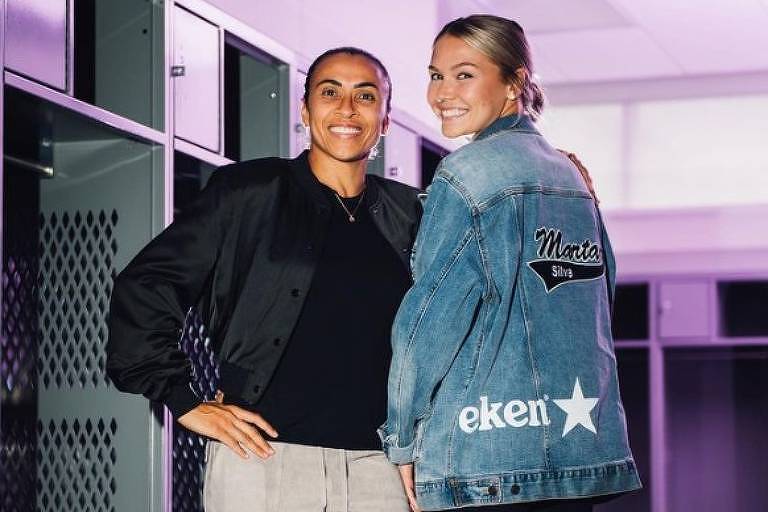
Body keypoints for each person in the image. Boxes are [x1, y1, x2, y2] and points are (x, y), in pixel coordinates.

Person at [106, 47, 421, 512]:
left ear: (386, 118)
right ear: (305, 109)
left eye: (366, 96)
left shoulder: (411, 212)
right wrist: (183, 399)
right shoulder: (251, 193)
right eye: (329, 92)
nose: (347, 109)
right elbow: (148, 284)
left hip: (380, 470)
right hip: (264, 460)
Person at [379, 15, 642, 512]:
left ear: (514, 82)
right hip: (574, 451)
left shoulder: (467, 175)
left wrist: (402, 438)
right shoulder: (569, 176)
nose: (442, 93)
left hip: (486, 459)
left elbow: (426, 327)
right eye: (436, 75)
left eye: (464, 74)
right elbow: (599, 305)